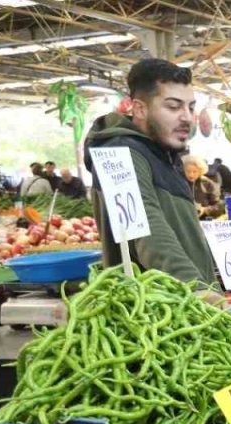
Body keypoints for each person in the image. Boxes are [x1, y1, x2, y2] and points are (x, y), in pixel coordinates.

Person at [84, 58, 216, 287]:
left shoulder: (165, 154)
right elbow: (147, 232)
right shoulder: (119, 152)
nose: (186, 117)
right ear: (139, 109)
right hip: (158, 313)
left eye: (190, 107)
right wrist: (198, 289)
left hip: (192, 309)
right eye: (173, 107)